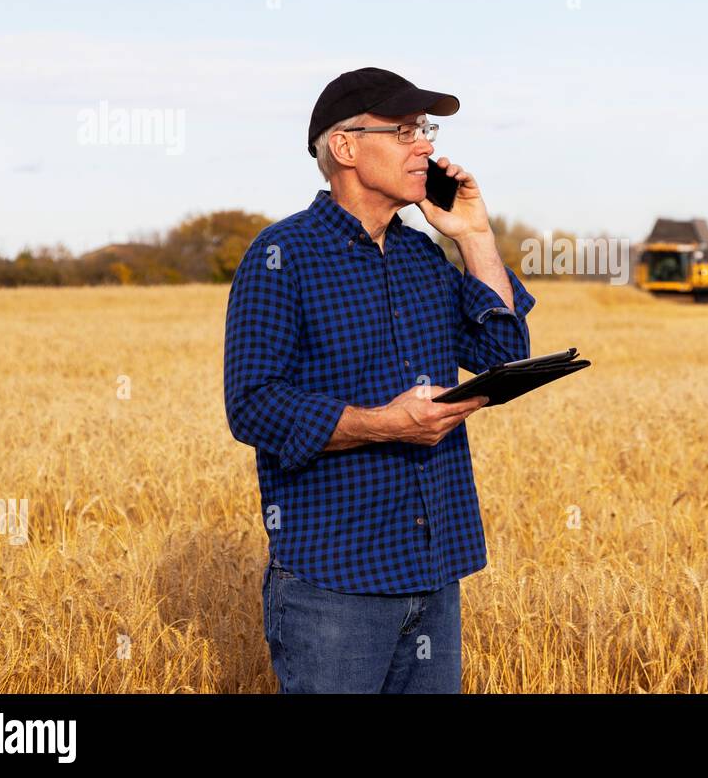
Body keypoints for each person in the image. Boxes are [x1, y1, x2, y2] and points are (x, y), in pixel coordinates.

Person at [223, 66, 535, 693]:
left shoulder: (424, 255)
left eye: (425, 129)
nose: (426, 145)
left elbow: (505, 347)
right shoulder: (282, 255)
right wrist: (385, 425)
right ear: (345, 147)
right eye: (404, 131)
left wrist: (474, 235)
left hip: (434, 570)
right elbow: (253, 406)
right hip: (335, 584)